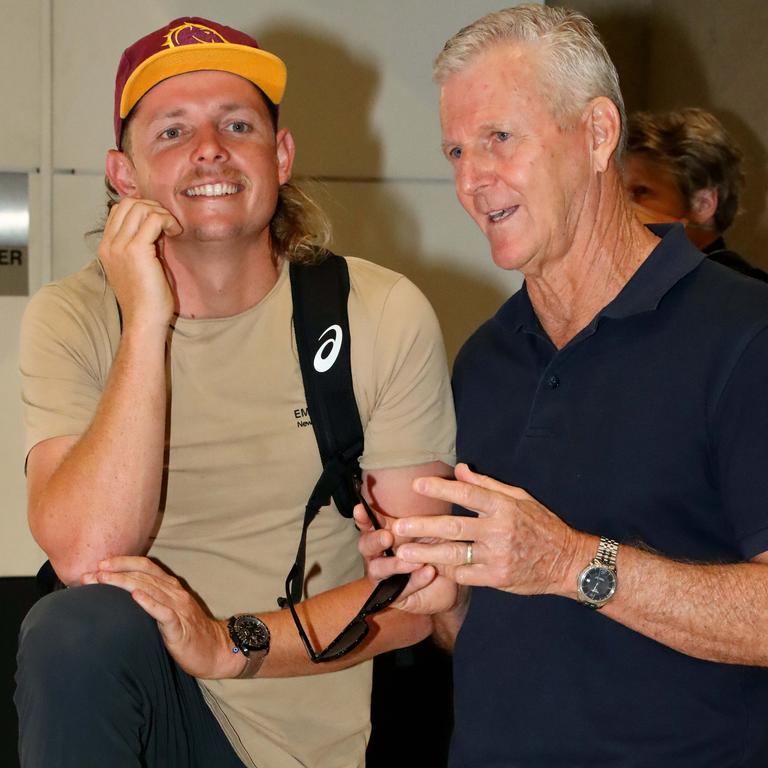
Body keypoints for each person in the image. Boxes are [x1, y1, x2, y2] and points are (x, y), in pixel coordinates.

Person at [15, 17, 455, 768]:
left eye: (237, 124)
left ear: (280, 157)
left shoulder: (376, 314)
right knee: (75, 626)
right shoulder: (77, 315)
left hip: (298, 736)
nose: (209, 148)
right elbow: (88, 552)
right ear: (124, 176)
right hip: (137, 716)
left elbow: (418, 600)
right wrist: (148, 319)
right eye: (172, 131)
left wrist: (225, 645)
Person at [358, 6, 768, 766]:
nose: (471, 180)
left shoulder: (746, 335)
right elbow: (498, 628)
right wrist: (445, 596)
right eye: (455, 150)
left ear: (598, 133)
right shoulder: (485, 361)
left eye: (499, 140)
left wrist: (573, 561)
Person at [624, 107, 767, 280]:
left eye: (641, 192)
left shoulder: (748, 294)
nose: (621, 207)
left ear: (703, 204)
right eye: (619, 193)